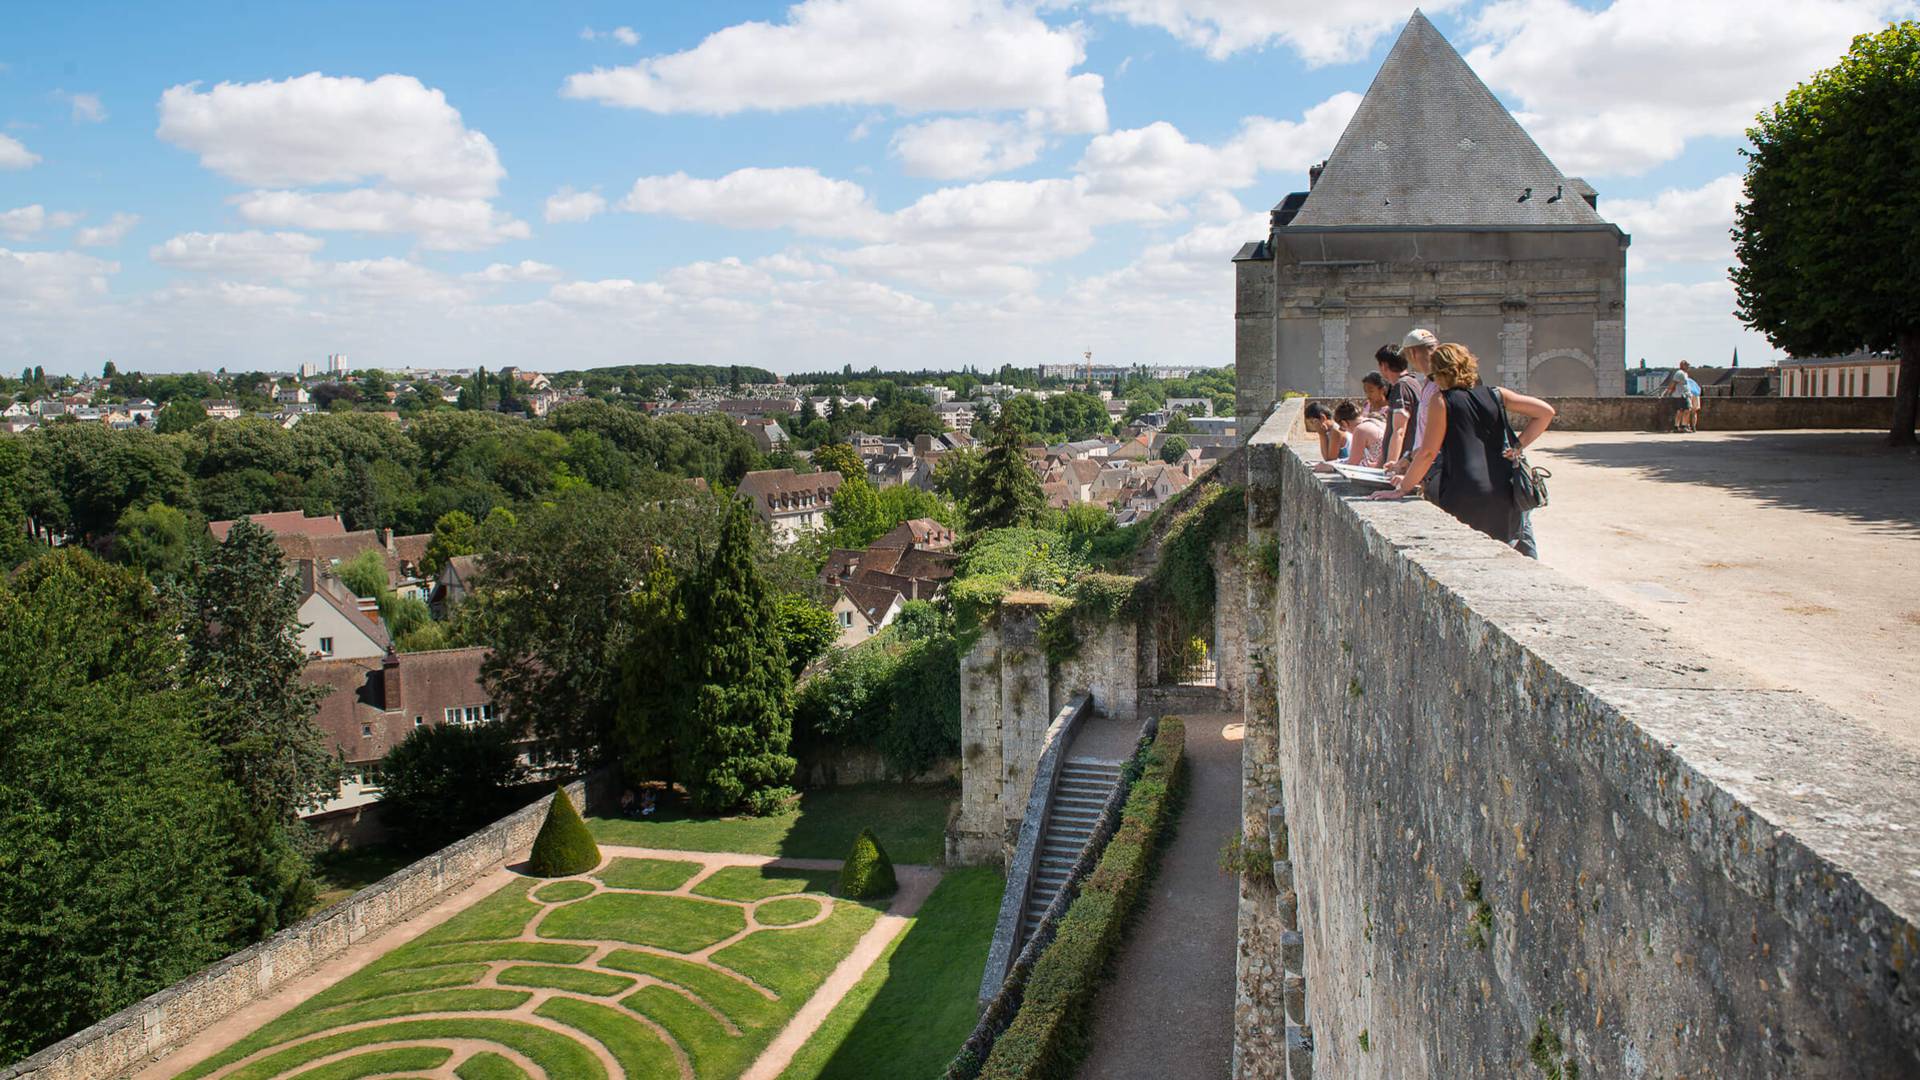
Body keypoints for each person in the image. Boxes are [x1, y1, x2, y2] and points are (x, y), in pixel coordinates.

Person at [1370, 343, 1556, 558]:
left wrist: (1402, 488)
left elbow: (1428, 453)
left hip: (1463, 489)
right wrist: (1517, 446)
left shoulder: (1441, 401)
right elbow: (1545, 412)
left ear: (1438, 371)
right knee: (1503, 556)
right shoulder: (1496, 394)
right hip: (1504, 489)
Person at [1375, 344, 1419, 466]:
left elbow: (1399, 429)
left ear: (1384, 366)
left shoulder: (1401, 386)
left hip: (1402, 464)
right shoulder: (1413, 383)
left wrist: (1391, 464)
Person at [1336, 400, 1387, 467]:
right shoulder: (1376, 420)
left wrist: (1332, 466)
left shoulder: (1360, 429)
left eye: (1342, 428)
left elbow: (1352, 464)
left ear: (1344, 423)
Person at [1665, 364, 1691, 433]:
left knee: (1682, 410)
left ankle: (1679, 426)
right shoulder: (1679, 373)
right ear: (1683, 366)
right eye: (1687, 366)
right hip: (1680, 394)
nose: (1688, 367)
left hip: (1683, 394)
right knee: (1685, 410)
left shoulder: (1685, 374)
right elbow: (1674, 382)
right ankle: (1682, 426)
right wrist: (1669, 392)